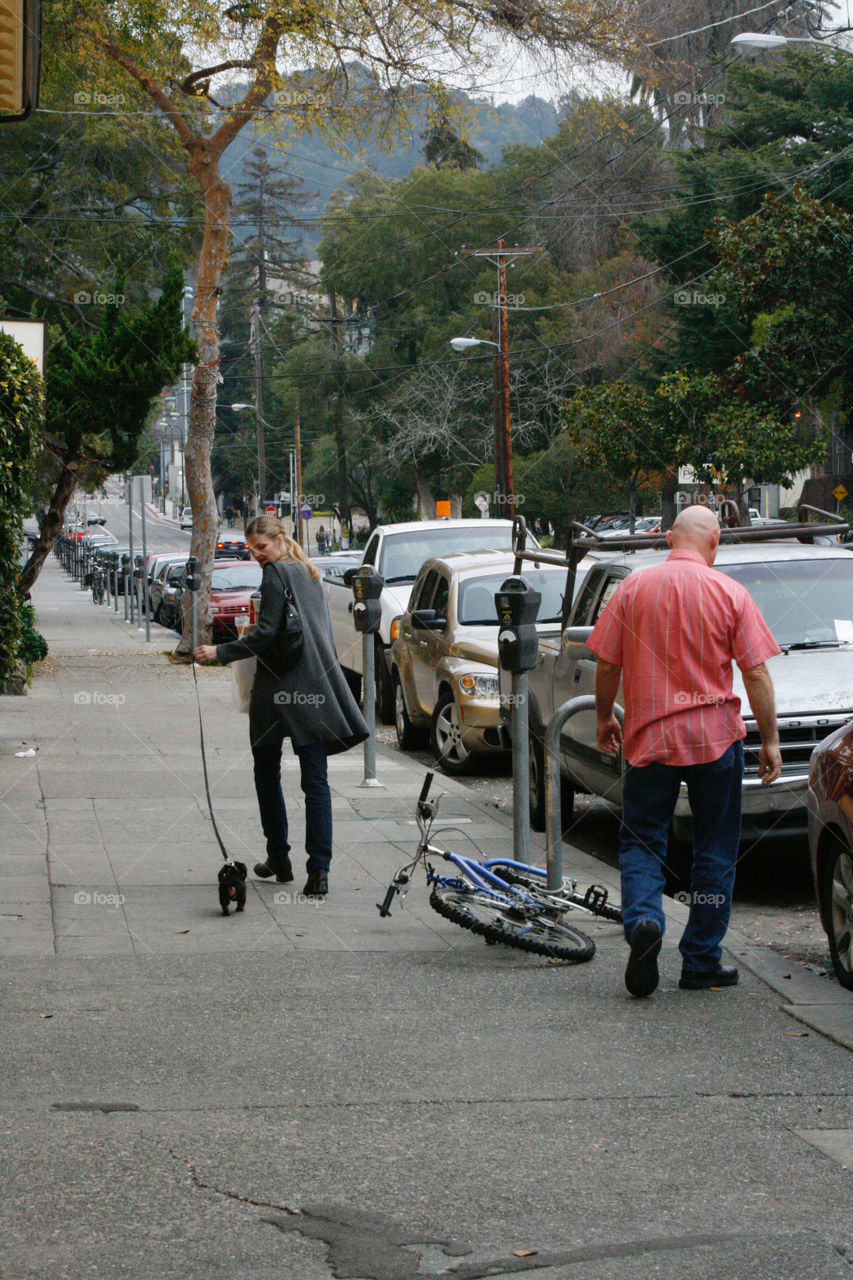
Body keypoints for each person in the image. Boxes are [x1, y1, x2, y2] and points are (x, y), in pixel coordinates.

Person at [587, 505, 782, 997]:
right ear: (714, 543)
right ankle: (700, 961)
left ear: (670, 539)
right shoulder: (730, 593)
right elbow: (756, 672)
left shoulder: (632, 589)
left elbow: (608, 663)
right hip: (715, 739)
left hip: (649, 739)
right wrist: (771, 739)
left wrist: (603, 716)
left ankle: (645, 923)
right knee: (715, 849)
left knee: (642, 842)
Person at [194, 514, 368, 897]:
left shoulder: (275, 573)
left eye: (262, 547)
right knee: (316, 783)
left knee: (266, 772)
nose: (257, 555)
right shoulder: (308, 573)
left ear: (279, 540)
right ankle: (318, 871)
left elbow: (267, 633)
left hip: (277, 690)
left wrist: (218, 651)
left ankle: (279, 856)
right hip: (314, 689)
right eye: (252, 549)